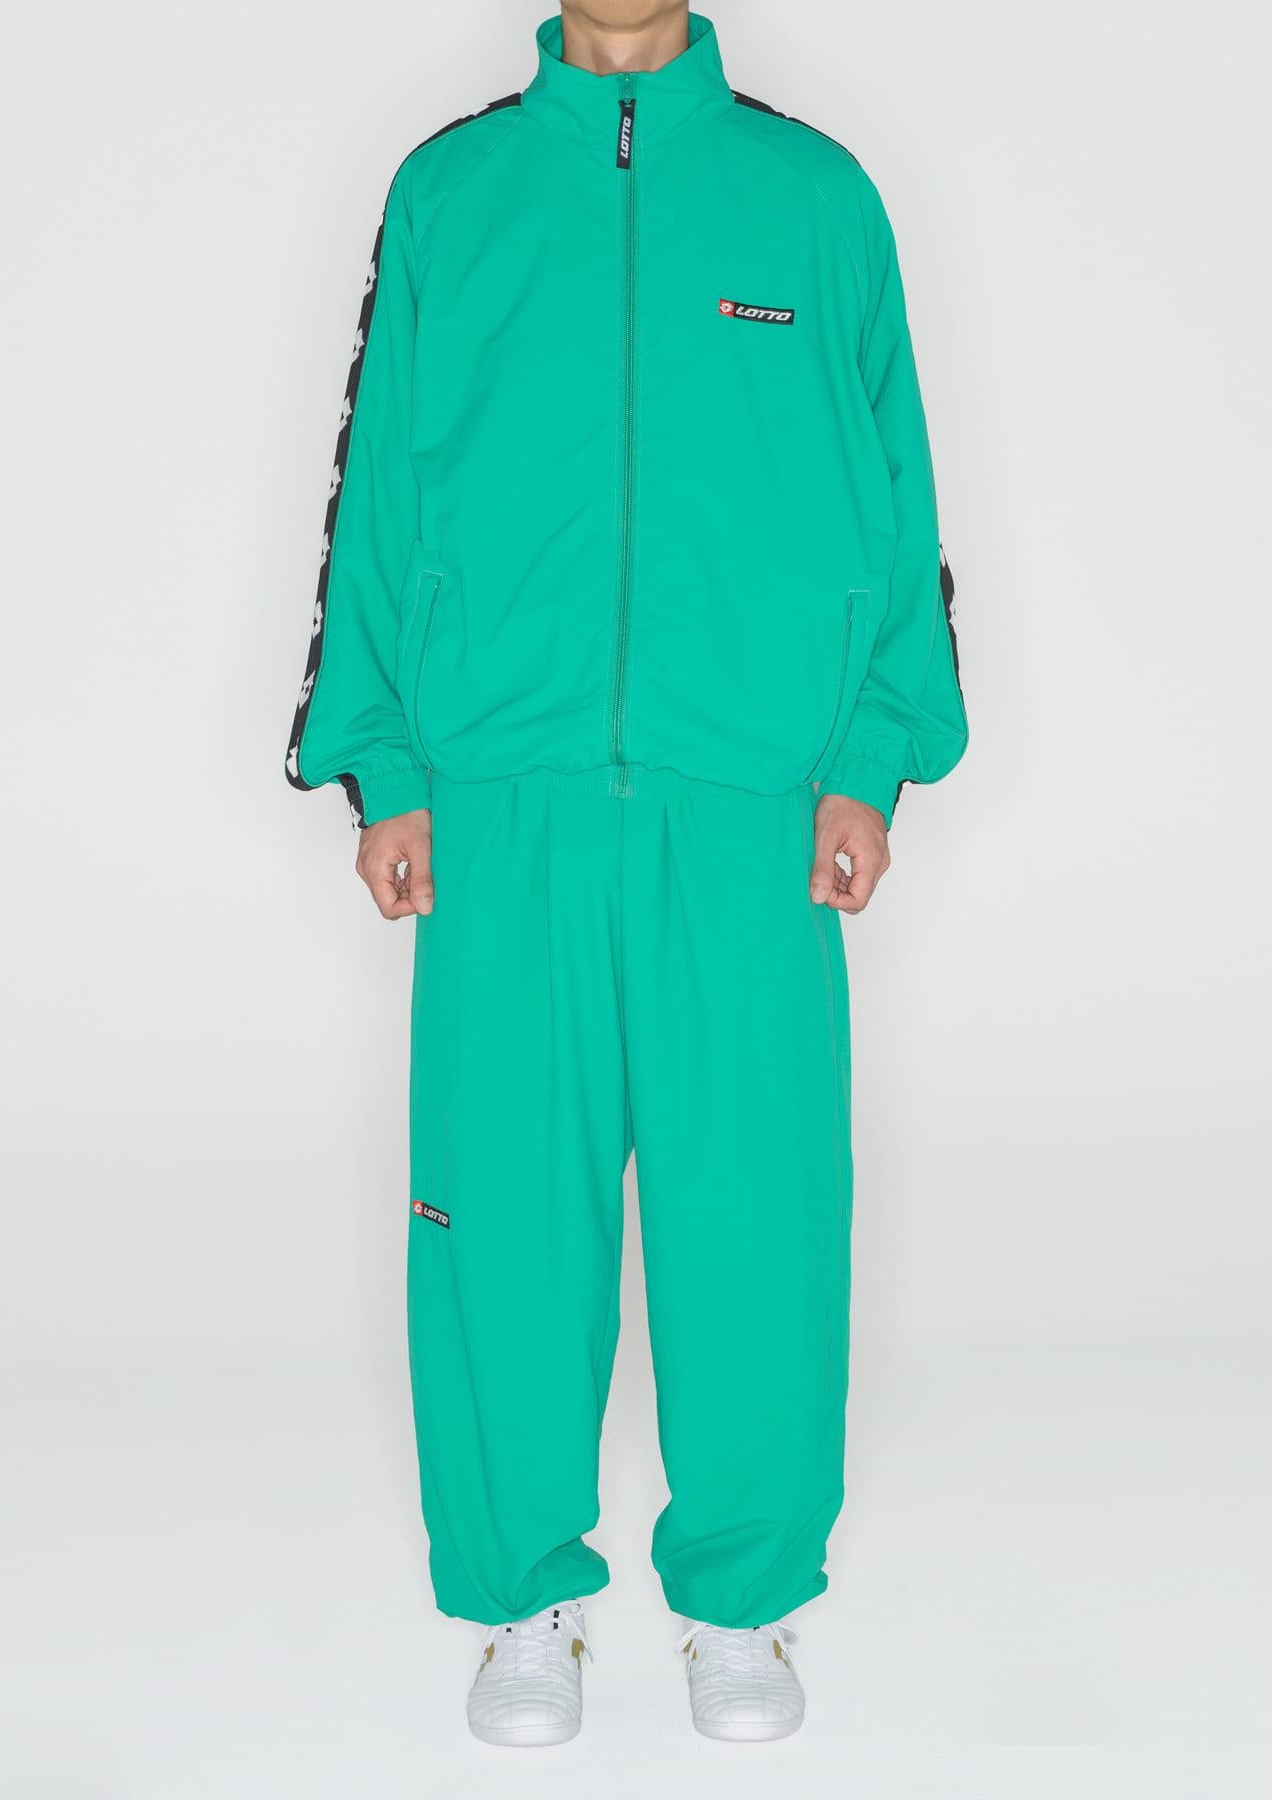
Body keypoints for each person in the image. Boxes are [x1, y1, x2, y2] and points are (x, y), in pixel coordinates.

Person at [284, 1, 966, 1747]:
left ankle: (742, 1598)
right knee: (502, 1212)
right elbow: (378, 482)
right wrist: (386, 759)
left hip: (749, 809)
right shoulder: (454, 194)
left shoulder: (816, 200)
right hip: (502, 801)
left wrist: (870, 754)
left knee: (758, 1214)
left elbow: (897, 496)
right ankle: (523, 1597)